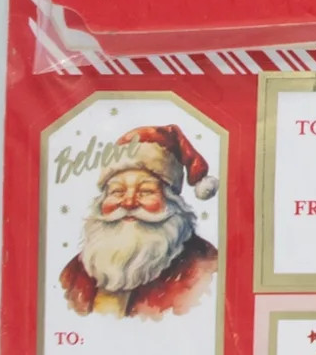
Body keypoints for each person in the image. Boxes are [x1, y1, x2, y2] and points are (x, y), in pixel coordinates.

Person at [60, 124, 218, 319]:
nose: (128, 203)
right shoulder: (76, 272)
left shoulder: (203, 267)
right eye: (117, 191)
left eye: (145, 191)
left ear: (171, 203)